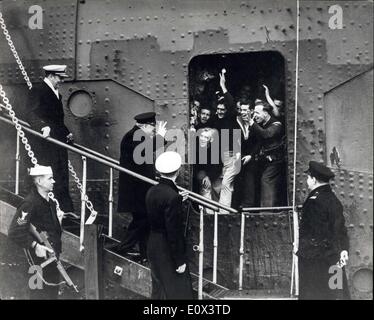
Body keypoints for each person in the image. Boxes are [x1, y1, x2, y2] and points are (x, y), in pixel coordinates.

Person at [117, 112, 167, 260]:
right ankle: (122, 249)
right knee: (142, 220)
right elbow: (142, 152)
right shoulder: (133, 136)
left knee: (144, 221)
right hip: (136, 190)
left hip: (139, 188)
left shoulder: (137, 135)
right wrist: (160, 138)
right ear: (145, 125)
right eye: (152, 129)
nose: (153, 132)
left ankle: (145, 255)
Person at [8, 165, 63, 299]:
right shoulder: (30, 203)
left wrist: (59, 221)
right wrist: (35, 245)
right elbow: (15, 231)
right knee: (38, 295)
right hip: (36, 264)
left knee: (51, 295)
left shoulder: (50, 203)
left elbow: (53, 232)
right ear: (39, 181)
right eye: (50, 178)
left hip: (53, 260)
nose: (53, 181)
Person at [297, 161, 350, 300]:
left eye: (308, 178)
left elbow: (313, 232)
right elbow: (340, 229)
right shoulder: (334, 199)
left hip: (315, 261)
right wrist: (343, 249)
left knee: (314, 294)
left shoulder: (313, 201)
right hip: (335, 258)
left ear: (314, 179)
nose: (307, 182)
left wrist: (302, 251)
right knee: (337, 293)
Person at [26, 65, 74, 214]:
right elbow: (30, 113)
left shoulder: (56, 94)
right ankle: (53, 209)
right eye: (60, 78)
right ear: (52, 76)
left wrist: (66, 132)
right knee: (50, 176)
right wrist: (42, 126)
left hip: (57, 141)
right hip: (45, 144)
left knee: (60, 175)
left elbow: (57, 120)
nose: (61, 81)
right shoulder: (38, 90)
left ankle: (65, 209)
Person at [145, 151, 193, 299]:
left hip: (153, 245)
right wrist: (180, 260)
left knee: (159, 292)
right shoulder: (172, 197)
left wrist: (178, 200)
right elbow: (173, 232)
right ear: (177, 172)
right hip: (167, 250)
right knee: (179, 292)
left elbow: (159, 211)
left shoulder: (151, 191)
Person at [210, 70, 241, 211]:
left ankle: (224, 213)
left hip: (230, 155)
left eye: (223, 109)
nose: (221, 112)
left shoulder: (230, 118)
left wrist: (223, 87)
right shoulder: (215, 120)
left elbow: (231, 105)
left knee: (227, 185)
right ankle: (217, 211)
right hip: (218, 157)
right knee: (217, 185)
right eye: (219, 109)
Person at [248, 102, 286, 207]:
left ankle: (267, 212)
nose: (254, 115)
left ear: (265, 113)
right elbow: (259, 143)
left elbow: (266, 134)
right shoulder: (262, 125)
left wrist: (252, 123)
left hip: (276, 161)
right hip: (266, 161)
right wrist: (251, 155)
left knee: (266, 180)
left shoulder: (276, 124)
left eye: (257, 113)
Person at [235, 102, 259, 208]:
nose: (243, 112)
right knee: (237, 183)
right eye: (241, 110)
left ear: (251, 111)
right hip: (238, 157)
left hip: (251, 158)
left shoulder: (256, 122)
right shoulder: (236, 121)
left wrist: (251, 155)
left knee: (250, 182)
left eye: (245, 110)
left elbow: (259, 142)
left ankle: (248, 207)